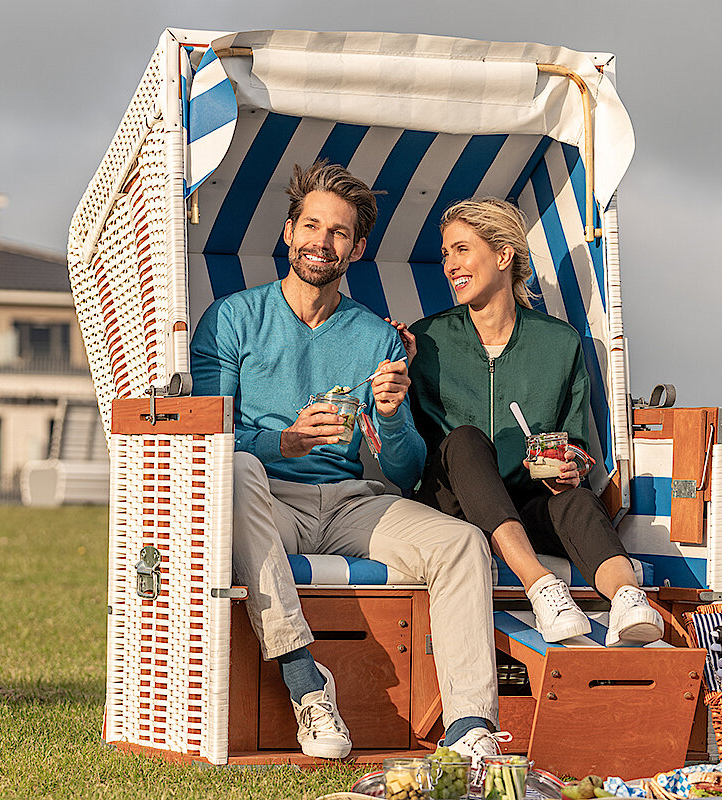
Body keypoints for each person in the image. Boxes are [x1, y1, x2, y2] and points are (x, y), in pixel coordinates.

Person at [191, 161, 503, 762]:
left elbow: (407, 470)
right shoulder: (232, 319)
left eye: (339, 232)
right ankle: (306, 679)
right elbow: (208, 440)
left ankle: (470, 729)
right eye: (311, 226)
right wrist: (283, 443)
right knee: (236, 470)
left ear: (356, 249)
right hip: (267, 503)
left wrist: (391, 414)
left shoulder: (375, 336)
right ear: (289, 232)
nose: (322, 241)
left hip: (348, 504)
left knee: (462, 542)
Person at [390, 197, 664, 647]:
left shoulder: (559, 343)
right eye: (446, 253)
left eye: (461, 249)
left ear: (503, 255)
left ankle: (629, 602)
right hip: (449, 510)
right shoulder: (425, 339)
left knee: (578, 502)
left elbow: (574, 442)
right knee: (465, 440)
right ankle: (542, 588)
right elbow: (403, 439)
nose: (449, 265)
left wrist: (571, 466)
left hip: (525, 504)